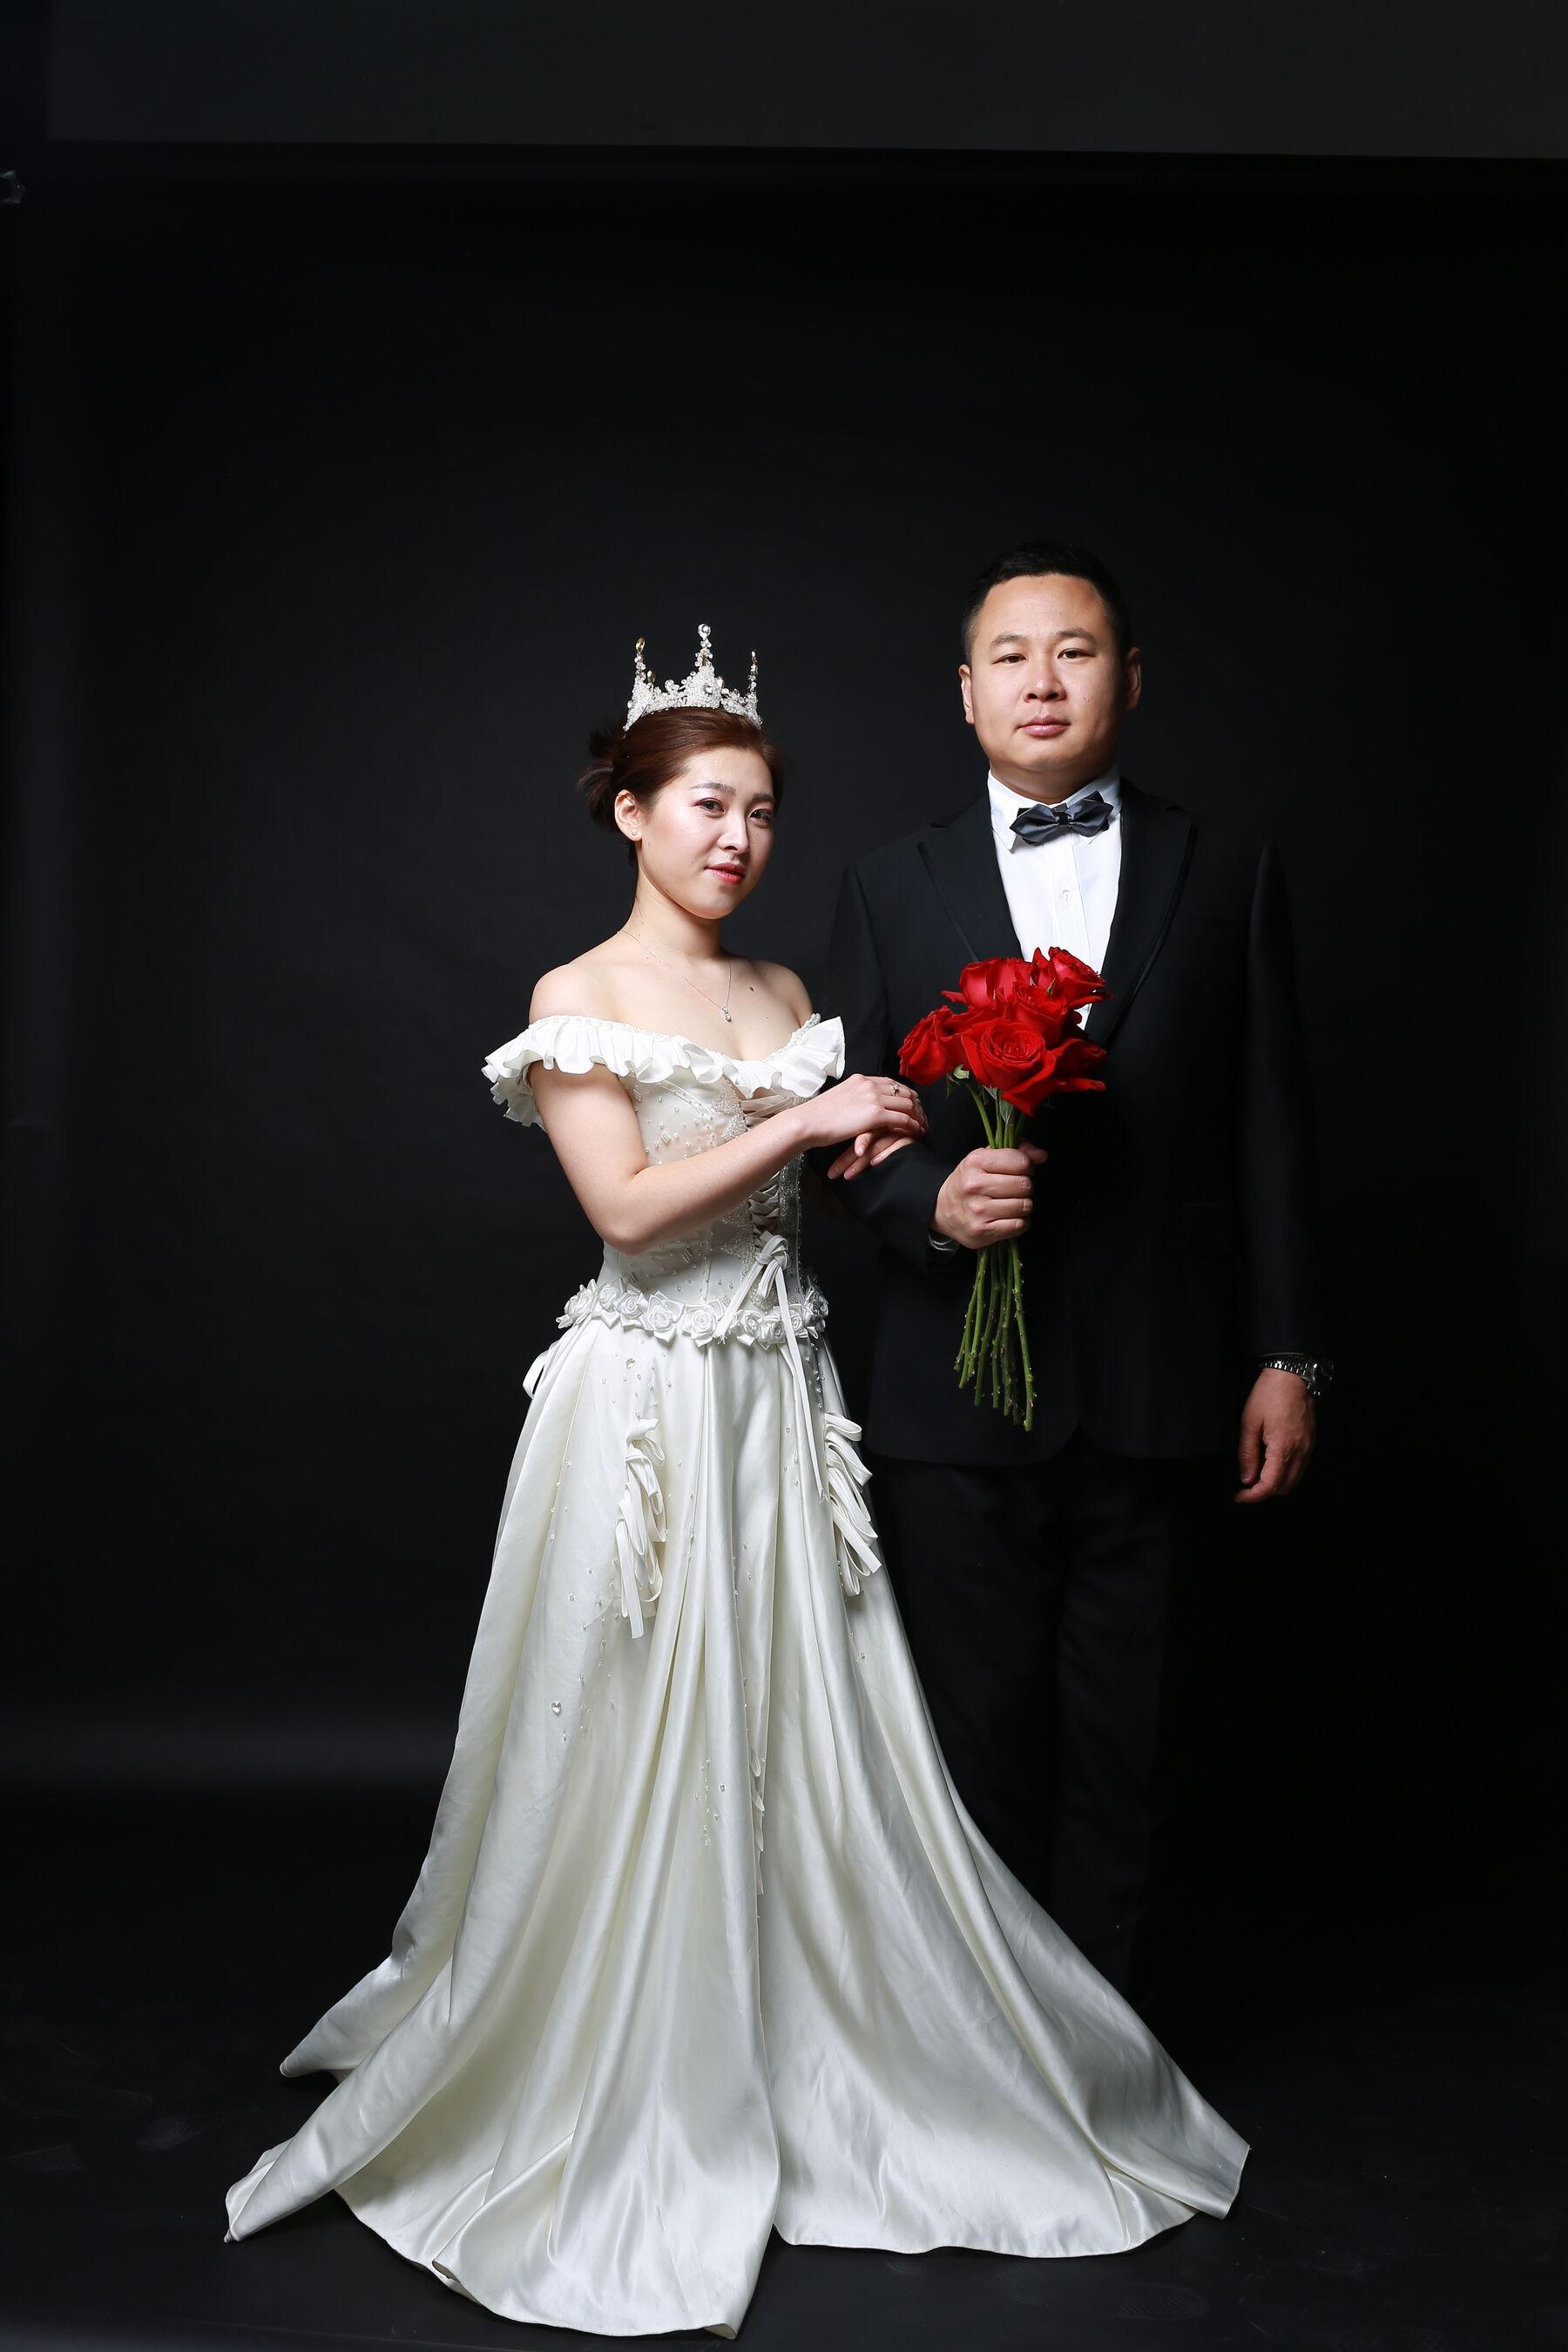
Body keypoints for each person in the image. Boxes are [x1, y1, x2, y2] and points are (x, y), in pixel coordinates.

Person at [222, 623, 1247, 2338]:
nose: (739, 838)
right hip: (646, 1406)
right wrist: (807, 1122)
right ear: (632, 812)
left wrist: (919, 1145)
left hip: (780, 1394)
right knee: (630, 1717)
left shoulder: (782, 994)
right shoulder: (575, 997)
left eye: (762, 810)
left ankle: (815, 2031)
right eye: (707, 805)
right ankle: (611, 2045)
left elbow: (834, 1182)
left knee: (803, 1720)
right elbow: (628, 1211)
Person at [821, 541, 1332, 2004]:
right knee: (972, 1744)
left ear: (1131, 679)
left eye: (1076, 650)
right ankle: (985, 2045)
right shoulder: (886, 883)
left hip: (1161, 1379)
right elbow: (841, 1129)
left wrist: (1292, 1353)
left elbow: (1274, 1129)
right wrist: (930, 1201)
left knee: (1135, 1743)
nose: (1041, 681)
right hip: (952, 1389)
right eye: (1011, 655)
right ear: (965, 691)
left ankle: (1107, 2048)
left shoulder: (1227, 869)